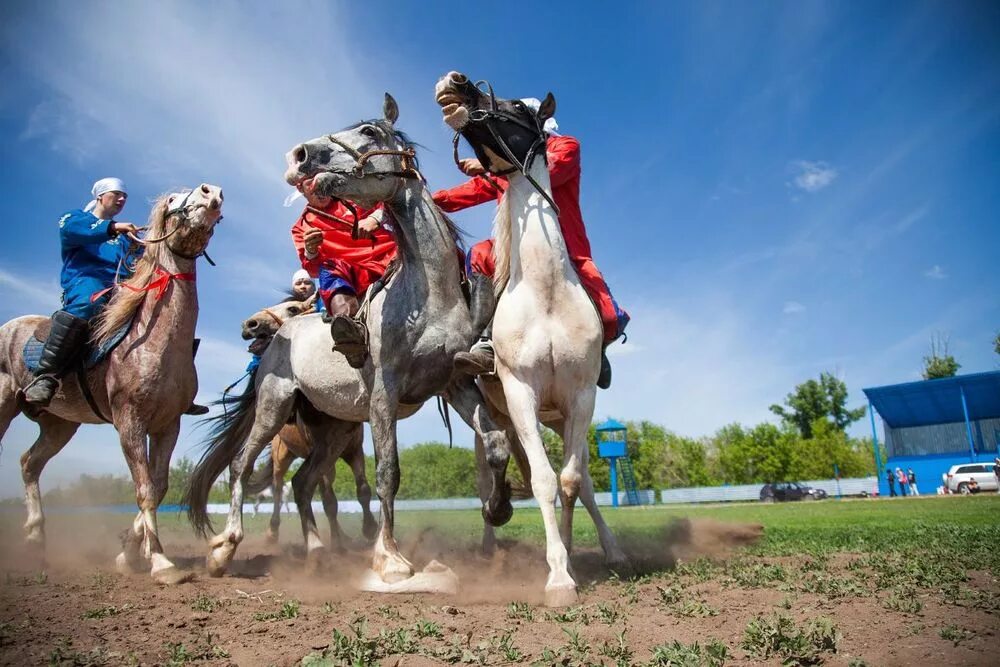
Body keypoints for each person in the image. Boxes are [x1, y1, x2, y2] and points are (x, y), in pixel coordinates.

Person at [431, 99, 629, 389]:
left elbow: (552, 170)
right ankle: (485, 338)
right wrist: (428, 199)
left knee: (609, 314)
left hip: (565, 247)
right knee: (480, 255)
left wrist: (493, 166)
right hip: (514, 250)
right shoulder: (502, 169)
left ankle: (597, 350)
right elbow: (471, 191)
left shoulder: (565, 146)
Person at [23, 178, 207, 414]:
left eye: (125, 197)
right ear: (100, 196)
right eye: (117, 194)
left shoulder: (124, 236)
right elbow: (70, 231)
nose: (122, 199)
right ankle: (46, 376)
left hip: (121, 287)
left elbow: (144, 257)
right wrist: (113, 228)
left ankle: (180, 390)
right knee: (88, 302)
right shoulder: (75, 218)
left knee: (169, 313)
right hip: (87, 281)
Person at [290, 189, 396, 367]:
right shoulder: (301, 226)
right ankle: (351, 331)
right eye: (312, 187)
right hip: (354, 275)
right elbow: (312, 269)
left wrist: (375, 218)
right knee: (328, 269)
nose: (320, 191)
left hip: (391, 256)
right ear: (301, 189)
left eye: (323, 185)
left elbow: (393, 201)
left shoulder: (354, 195)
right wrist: (311, 251)